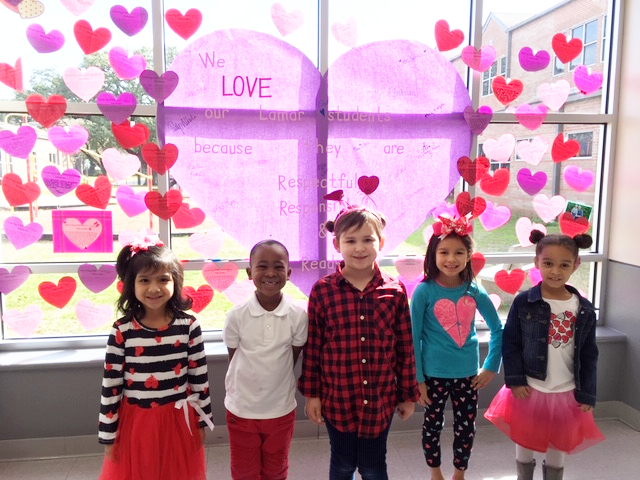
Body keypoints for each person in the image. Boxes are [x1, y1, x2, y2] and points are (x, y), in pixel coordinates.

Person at [298, 206, 420, 480]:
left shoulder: (395, 290)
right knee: (342, 465)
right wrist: (312, 394)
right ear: (337, 244)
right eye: (351, 241)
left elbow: (405, 348)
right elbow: (314, 348)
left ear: (381, 242)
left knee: (373, 466)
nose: (359, 248)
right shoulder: (323, 291)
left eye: (368, 239)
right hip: (337, 399)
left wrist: (407, 395)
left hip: (380, 400)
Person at [484, 230, 605, 480]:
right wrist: (515, 380)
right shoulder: (524, 302)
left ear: (576, 265)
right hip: (530, 387)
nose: (555, 271)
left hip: (566, 391)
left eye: (564, 265)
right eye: (548, 263)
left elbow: (589, 353)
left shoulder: (583, 309)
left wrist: (588, 392)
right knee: (525, 440)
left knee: (558, 444)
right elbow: (512, 343)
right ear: (537, 262)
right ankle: (523, 476)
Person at [98, 233, 214, 480]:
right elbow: (111, 386)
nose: (154, 288)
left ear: (176, 282)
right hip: (135, 424)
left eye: (163, 279)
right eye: (144, 280)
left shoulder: (189, 326)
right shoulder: (122, 330)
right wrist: (109, 435)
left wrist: (203, 421)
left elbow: (199, 379)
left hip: (178, 422)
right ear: (131, 284)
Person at [411, 214, 503, 480]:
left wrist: (490, 367)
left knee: (466, 428)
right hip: (432, 376)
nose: (451, 259)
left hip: (468, 377)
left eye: (459, 252)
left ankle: (459, 474)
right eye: (444, 252)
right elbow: (413, 337)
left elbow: (498, 329)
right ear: (433, 254)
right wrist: (418, 380)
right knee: (432, 425)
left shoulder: (474, 291)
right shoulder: (423, 292)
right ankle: (435, 473)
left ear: (468, 256)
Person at [223, 239, 308, 479]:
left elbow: (292, 355)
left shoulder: (298, 317)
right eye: (262, 266)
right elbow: (234, 357)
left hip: (280, 411)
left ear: (288, 273)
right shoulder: (237, 316)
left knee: (276, 470)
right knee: (244, 472)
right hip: (241, 410)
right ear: (250, 273)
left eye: (278, 267)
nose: (270, 273)